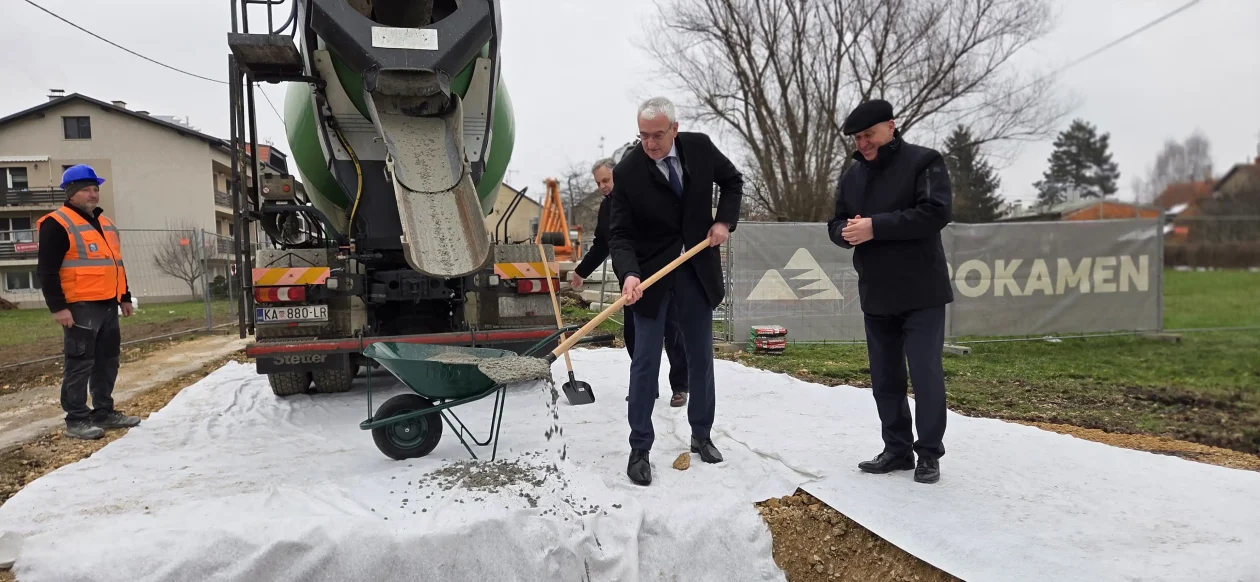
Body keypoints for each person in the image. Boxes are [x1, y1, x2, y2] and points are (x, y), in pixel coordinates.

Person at [608, 96, 743, 486]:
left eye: (657, 135)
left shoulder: (698, 149)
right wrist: (629, 274)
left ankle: (701, 435)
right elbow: (619, 234)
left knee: (700, 357)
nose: (650, 144)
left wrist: (723, 222)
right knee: (645, 363)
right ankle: (640, 448)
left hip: (696, 270)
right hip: (650, 277)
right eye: (643, 136)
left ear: (674, 129)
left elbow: (733, 181)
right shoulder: (630, 171)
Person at [826, 99, 953, 484]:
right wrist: (844, 234)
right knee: (885, 378)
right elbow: (835, 221)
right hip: (877, 291)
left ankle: (928, 453)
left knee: (925, 373)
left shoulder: (925, 161)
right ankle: (896, 449)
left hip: (921, 292)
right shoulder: (853, 177)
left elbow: (935, 213)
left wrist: (875, 227)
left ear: (891, 126)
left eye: (869, 134)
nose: (863, 143)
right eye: (858, 137)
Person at [570, 157, 689, 407]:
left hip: (662, 274)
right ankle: (647, 385)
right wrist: (581, 271)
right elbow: (604, 244)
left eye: (606, 179)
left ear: (618, 175)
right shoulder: (606, 209)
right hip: (631, 280)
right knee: (633, 334)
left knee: (672, 330)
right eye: (598, 182)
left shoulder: (639, 197)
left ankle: (680, 386)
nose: (602, 186)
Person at [37, 164, 142, 440]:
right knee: (80, 362)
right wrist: (58, 307)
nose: (93, 194)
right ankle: (76, 419)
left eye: (96, 189)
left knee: (107, 361)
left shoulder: (105, 224)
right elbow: (47, 270)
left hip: (108, 304)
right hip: (79, 307)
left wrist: (125, 297)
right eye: (86, 190)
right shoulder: (56, 223)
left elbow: (116, 265)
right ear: (71, 193)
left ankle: (104, 412)